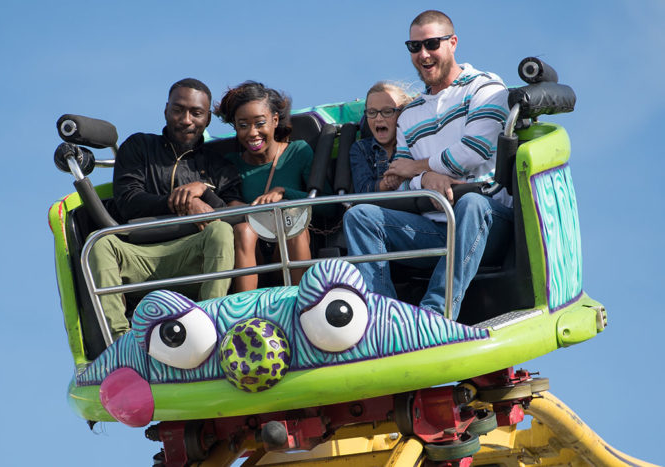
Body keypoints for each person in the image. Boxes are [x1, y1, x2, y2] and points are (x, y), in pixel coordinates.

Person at [343, 10, 513, 320]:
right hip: (436, 226)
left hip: (488, 219)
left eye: (432, 44)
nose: (423, 54)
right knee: (361, 216)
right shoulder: (410, 114)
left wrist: (420, 167)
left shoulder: (486, 89)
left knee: (472, 204)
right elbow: (401, 176)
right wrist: (427, 178)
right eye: (414, 47)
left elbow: (474, 151)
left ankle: (434, 316)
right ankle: (385, 320)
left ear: (453, 43)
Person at [89, 78, 242, 340]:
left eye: (196, 113)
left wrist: (202, 190)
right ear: (165, 110)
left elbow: (234, 215)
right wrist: (182, 201)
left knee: (221, 232)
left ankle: (208, 328)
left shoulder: (219, 165)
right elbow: (128, 202)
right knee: (101, 244)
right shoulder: (138, 146)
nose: (186, 120)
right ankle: (119, 341)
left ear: (207, 120)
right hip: (140, 254)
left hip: (193, 253)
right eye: (178, 110)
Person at [215, 81, 320, 292]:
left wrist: (283, 192)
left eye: (260, 123)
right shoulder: (230, 163)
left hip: (290, 244)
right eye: (243, 125)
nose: (252, 133)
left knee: (292, 225)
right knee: (244, 230)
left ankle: (300, 303)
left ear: (274, 120)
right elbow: (224, 207)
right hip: (252, 249)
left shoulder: (298, 152)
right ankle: (244, 311)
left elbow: (329, 205)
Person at [349, 82, 414, 193]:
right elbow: (363, 190)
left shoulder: (415, 143)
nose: (378, 118)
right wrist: (389, 182)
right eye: (372, 112)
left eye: (387, 112)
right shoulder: (361, 149)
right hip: (376, 208)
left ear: (402, 114)